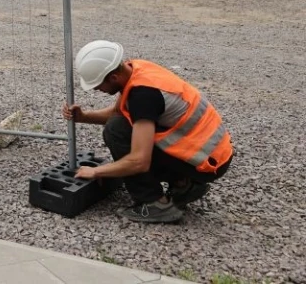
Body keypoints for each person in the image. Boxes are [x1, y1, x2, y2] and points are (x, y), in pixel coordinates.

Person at [63, 40, 233, 224]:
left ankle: (155, 204)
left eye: (98, 84)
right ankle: (183, 183)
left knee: (115, 131)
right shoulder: (136, 69)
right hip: (212, 153)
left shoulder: (143, 95)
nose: (97, 89)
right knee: (118, 125)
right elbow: (118, 113)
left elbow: (139, 161)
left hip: (204, 162)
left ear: (113, 77)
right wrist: (84, 117)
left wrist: (96, 172)